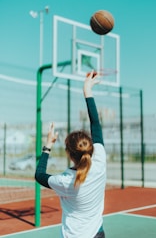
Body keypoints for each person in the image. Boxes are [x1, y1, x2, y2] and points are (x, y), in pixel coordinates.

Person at [35, 71, 106, 238]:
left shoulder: (65, 182)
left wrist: (48, 145)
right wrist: (87, 90)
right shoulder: (100, 162)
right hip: (98, 234)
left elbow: (39, 175)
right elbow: (95, 124)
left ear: (69, 153)